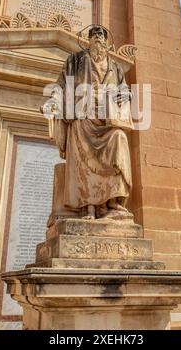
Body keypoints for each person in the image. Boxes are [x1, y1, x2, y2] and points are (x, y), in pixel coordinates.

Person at [44, 25, 133, 220]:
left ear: (106, 42)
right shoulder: (74, 61)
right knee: (83, 156)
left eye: (101, 34)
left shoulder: (116, 67)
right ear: (88, 40)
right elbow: (60, 86)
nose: (98, 37)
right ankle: (89, 207)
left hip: (107, 121)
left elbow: (125, 89)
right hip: (82, 119)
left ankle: (113, 204)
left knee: (119, 139)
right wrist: (53, 102)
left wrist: (124, 96)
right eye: (94, 34)